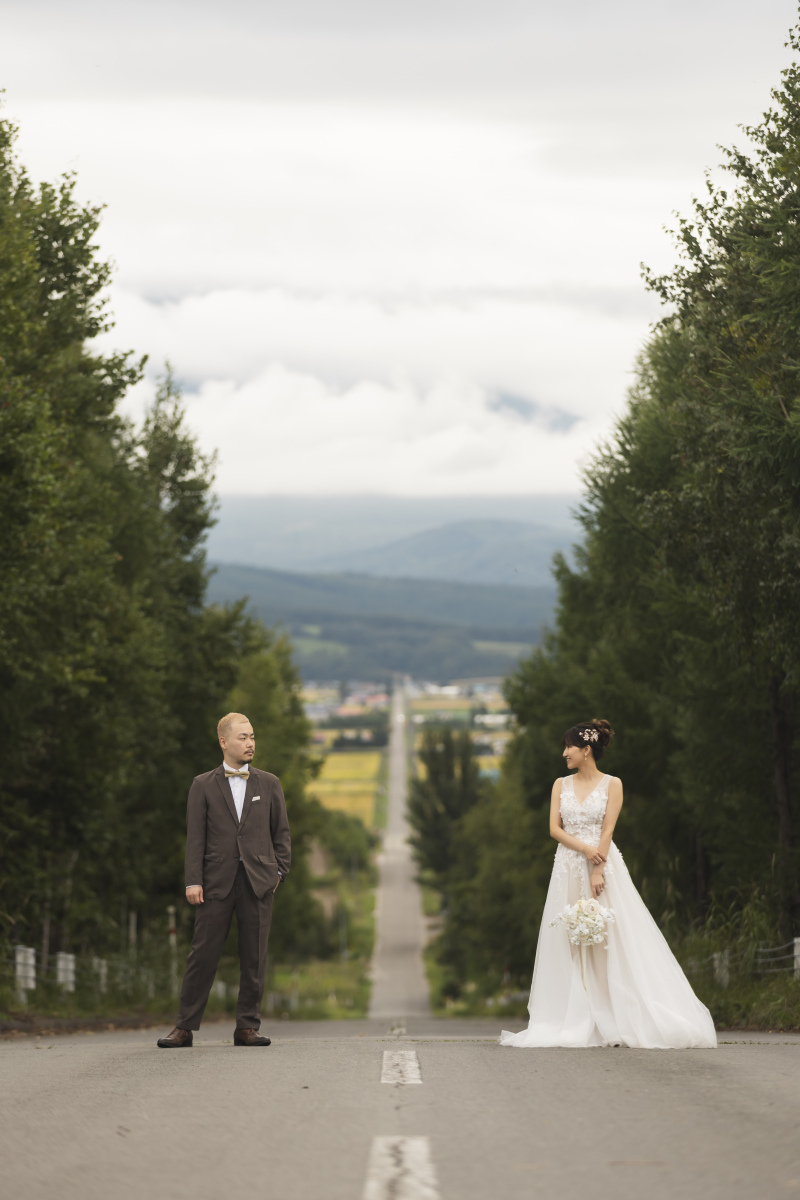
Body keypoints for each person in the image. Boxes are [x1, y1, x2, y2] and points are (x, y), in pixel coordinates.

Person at [500, 719, 716, 1049]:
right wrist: (584, 850)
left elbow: (608, 828)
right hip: (568, 865)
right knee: (570, 935)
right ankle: (577, 1012)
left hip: (602, 864)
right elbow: (554, 829)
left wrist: (597, 868)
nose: (564, 753)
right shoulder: (560, 784)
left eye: (569, 747)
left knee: (607, 936)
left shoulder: (613, 784)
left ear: (586, 750)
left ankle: (614, 1011)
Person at [157, 712, 291, 1047]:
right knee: (202, 955)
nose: (250, 743)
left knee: (254, 957)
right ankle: (184, 1027)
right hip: (214, 883)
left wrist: (278, 873)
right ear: (223, 742)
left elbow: (282, 833)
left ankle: (247, 1027)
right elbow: (195, 837)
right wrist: (193, 880)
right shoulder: (202, 785)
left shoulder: (270, 783)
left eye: (252, 737)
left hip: (258, 882)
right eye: (243, 737)